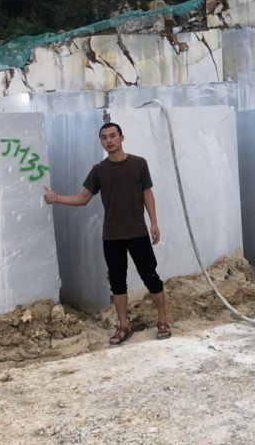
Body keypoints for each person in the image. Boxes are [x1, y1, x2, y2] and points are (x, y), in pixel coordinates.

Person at [43, 122, 171, 345]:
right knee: (117, 283)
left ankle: (162, 320)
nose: (109, 140)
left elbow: (147, 193)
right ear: (101, 142)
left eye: (113, 136)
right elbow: (83, 199)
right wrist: (57, 198)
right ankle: (123, 326)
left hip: (138, 234)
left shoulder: (139, 164)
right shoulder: (99, 170)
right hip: (112, 237)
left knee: (151, 277)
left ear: (122, 138)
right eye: (104, 137)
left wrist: (154, 222)